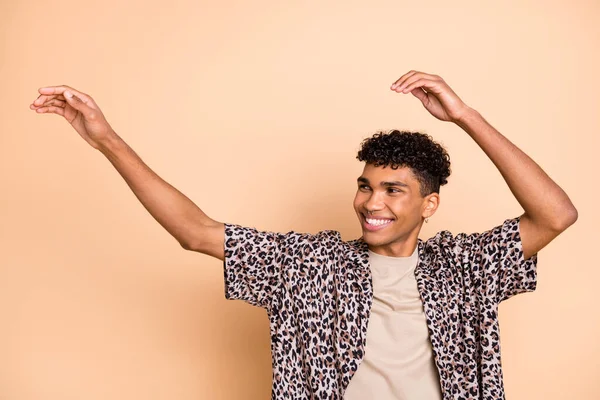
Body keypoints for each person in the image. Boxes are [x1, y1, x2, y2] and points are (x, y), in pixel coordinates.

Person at [30, 71, 577, 400]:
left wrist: (464, 116)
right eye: (365, 186)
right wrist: (106, 140)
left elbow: (556, 215)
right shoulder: (309, 263)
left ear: (429, 204)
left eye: (393, 191)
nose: (371, 202)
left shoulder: (463, 266)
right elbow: (195, 231)